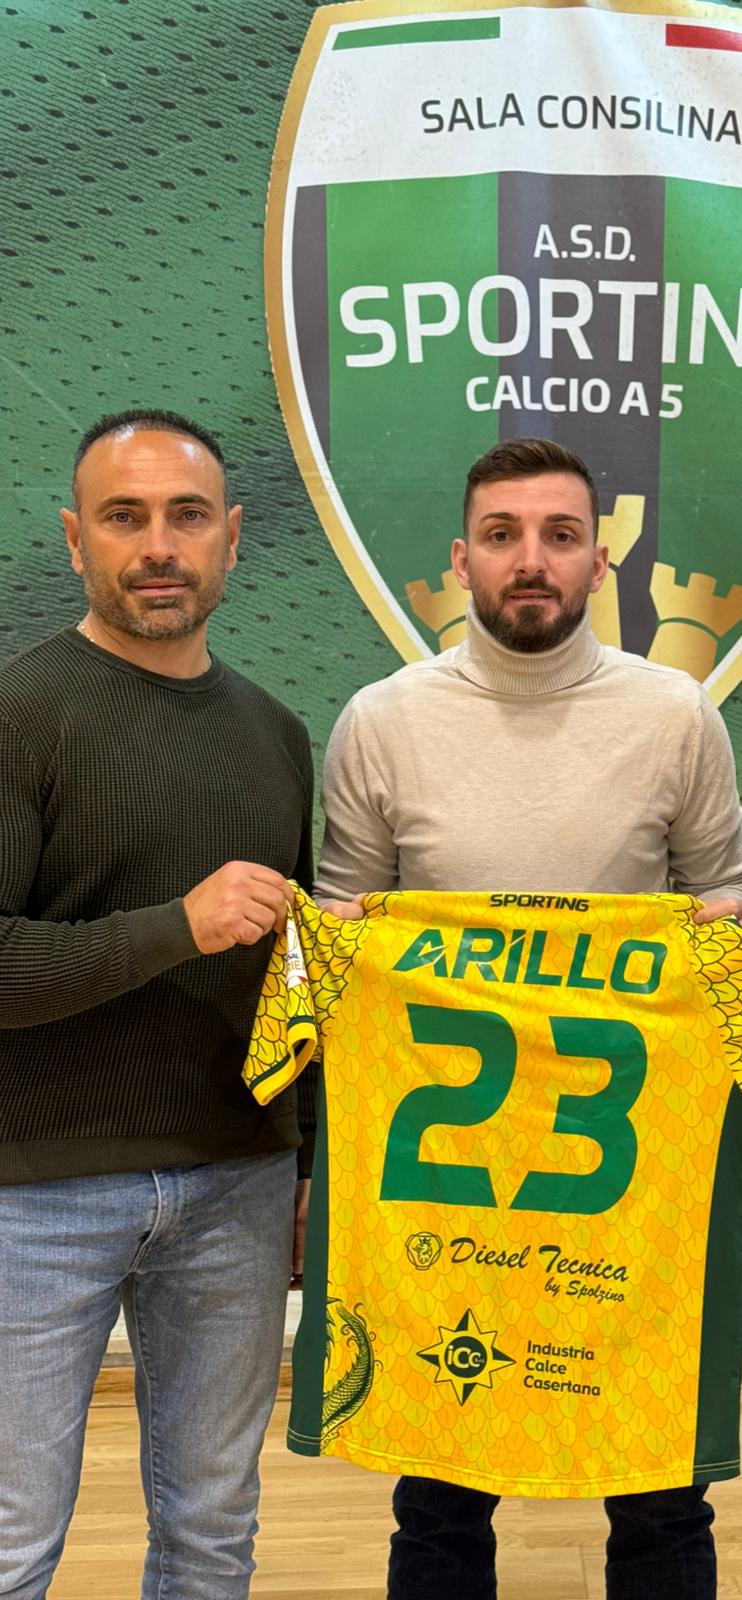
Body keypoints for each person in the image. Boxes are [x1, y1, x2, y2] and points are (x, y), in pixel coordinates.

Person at [316, 435, 742, 1600]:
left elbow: (733, 891)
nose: (532, 560)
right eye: (503, 536)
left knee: (661, 1488)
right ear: (461, 557)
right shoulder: (381, 721)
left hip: (624, 1176)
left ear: (600, 560)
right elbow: (343, 941)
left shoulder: (676, 715)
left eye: (561, 536)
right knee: (438, 1495)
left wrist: (722, 926)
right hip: (447, 1177)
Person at [0, 410, 314, 1599]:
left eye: (186, 516)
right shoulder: (21, 712)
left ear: (232, 537)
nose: (159, 546)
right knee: (12, 1539)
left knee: (211, 1533)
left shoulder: (277, 735)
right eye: (124, 517)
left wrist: (309, 1165)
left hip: (239, 1186)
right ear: (75, 538)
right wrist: (176, 926)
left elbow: (296, 988)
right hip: (35, 1196)